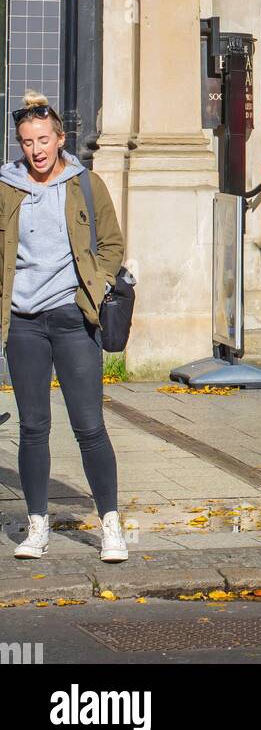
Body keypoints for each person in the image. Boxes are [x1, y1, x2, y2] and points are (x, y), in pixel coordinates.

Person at [0, 92, 128, 562]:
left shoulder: (86, 184)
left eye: (43, 140)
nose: (35, 150)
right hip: (24, 324)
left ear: (60, 139)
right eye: (26, 141)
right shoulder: (6, 187)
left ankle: (110, 525)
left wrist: (98, 285)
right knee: (33, 427)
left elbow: (111, 243)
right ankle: (37, 526)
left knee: (89, 426)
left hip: (74, 319)